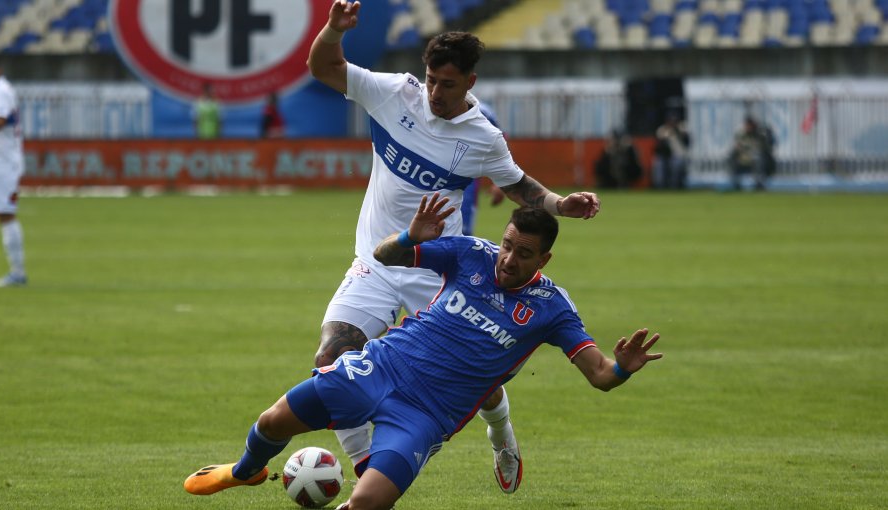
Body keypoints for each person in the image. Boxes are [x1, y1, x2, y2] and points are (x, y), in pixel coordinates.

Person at [183, 193, 663, 510]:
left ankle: (503, 441)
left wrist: (623, 366)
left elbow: (600, 375)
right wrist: (412, 236)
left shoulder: (552, 309)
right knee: (271, 422)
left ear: (545, 259)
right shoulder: (470, 252)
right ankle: (245, 472)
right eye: (508, 246)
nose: (509, 260)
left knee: (370, 502)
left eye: (524, 254)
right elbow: (387, 256)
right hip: (382, 366)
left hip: (426, 415)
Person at [305, 0, 601, 492]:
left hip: (439, 269)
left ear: (470, 83)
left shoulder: (482, 136)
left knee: (477, 383)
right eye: (431, 80)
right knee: (330, 359)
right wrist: (334, 29)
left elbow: (517, 185)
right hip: (378, 259)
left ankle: (502, 435)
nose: (435, 93)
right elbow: (322, 65)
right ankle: (365, 474)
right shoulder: (395, 94)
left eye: (447, 84)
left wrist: (558, 204)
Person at [0, 54, 27, 288]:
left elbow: (0, 120)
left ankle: (18, 272)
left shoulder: (1, 90)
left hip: (4, 162)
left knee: (5, 213)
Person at [460, 103, 505, 235]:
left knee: (461, 237)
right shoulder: (426, 103)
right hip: (427, 181)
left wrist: (500, 182)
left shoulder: (480, 111)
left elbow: (500, 143)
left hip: (465, 184)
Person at [728, 116, 776, 191]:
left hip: (757, 162)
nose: (748, 127)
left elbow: (768, 147)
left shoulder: (761, 135)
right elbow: (737, 148)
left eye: (750, 125)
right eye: (747, 125)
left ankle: (759, 184)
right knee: (731, 158)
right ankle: (735, 184)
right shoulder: (741, 135)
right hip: (744, 162)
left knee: (759, 159)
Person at [651, 114, 689, 190]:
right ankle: (660, 187)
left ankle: (674, 187)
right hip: (664, 156)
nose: (672, 123)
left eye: (674, 121)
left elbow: (686, 142)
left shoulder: (682, 128)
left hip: (678, 156)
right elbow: (659, 145)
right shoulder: (663, 129)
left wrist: (677, 132)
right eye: (671, 121)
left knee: (676, 164)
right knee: (659, 164)